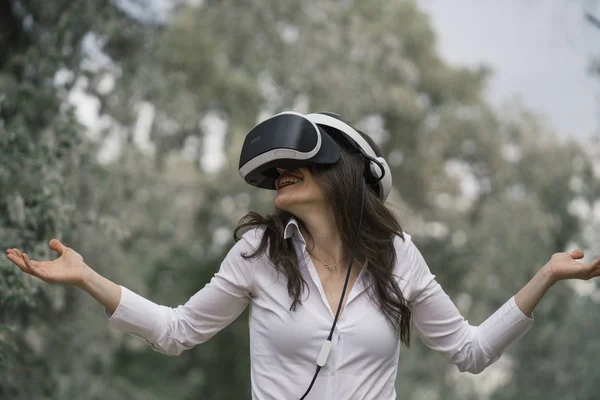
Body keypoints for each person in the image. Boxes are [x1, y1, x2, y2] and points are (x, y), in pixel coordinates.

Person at [5, 111, 600, 400]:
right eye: (276, 171)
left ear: (343, 172)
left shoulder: (399, 257)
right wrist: (87, 277)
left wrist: (546, 274)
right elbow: (177, 330)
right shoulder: (258, 253)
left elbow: (470, 353)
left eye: (297, 164)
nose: (281, 175)